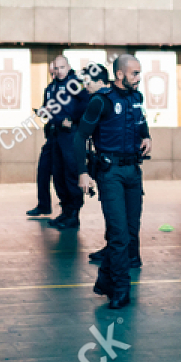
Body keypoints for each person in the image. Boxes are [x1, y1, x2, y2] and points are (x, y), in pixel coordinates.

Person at [73, 57, 152, 309]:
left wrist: (147, 136)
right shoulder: (101, 100)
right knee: (118, 234)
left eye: (139, 73)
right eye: (135, 73)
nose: (139, 78)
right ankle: (120, 288)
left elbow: (141, 123)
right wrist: (82, 173)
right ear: (120, 74)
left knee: (129, 232)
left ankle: (105, 280)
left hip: (133, 171)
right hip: (110, 173)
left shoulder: (136, 98)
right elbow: (80, 137)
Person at [27, 56, 81, 225]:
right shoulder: (51, 87)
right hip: (54, 135)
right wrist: (44, 111)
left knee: (70, 175)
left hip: (69, 136)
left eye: (61, 67)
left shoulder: (76, 85)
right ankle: (63, 210)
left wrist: (72, 120)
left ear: (69, 66)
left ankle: (73, 213)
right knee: (55, 174)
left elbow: (84, 106)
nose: (58, 71)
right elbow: (52, 110)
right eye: (55, 69)